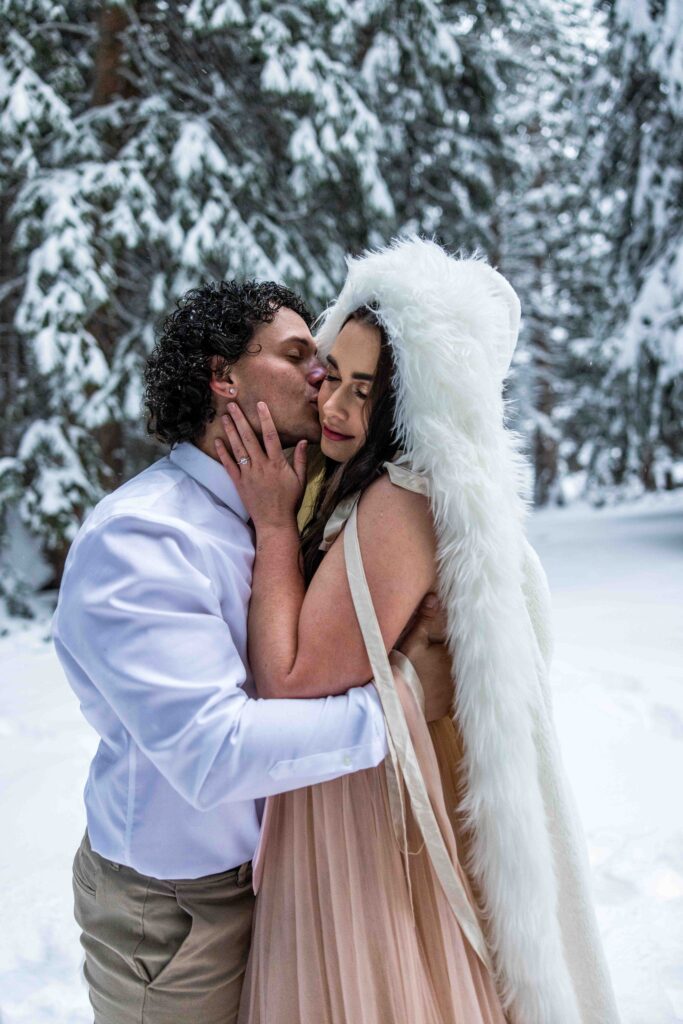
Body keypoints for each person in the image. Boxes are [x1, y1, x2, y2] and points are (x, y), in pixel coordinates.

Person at [214, 238, 622, 1024]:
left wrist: (271, 524)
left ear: (412, 406)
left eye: (367, 393)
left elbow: (290, 679)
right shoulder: (347, 483)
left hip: (365, 822)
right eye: (332, 375)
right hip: (346, 791)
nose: (335, 408)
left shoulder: (398, 496)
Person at [52, 279, 451, 1024]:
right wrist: (396, 706)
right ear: (222, 376)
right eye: (298, 354)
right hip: (174, 911)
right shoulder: (143, 537)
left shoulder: (280, 510)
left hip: (274, 881)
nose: (319, 376)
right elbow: (212, 754)